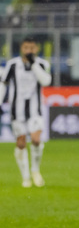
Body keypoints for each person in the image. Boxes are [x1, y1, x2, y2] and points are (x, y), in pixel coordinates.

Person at [0, 37, 52, 188]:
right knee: (21, 143)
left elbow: (46, 81)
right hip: (17, 111)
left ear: (36, 49)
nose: (29, 50)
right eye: (26, 48)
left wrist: (34, 63)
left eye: (32, 48)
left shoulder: (42, 64)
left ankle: (35, 171)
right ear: (21, 49)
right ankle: (26, 177)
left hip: (35, 111)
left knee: (36, 139)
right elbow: (3, 84)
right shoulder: (12, 65)